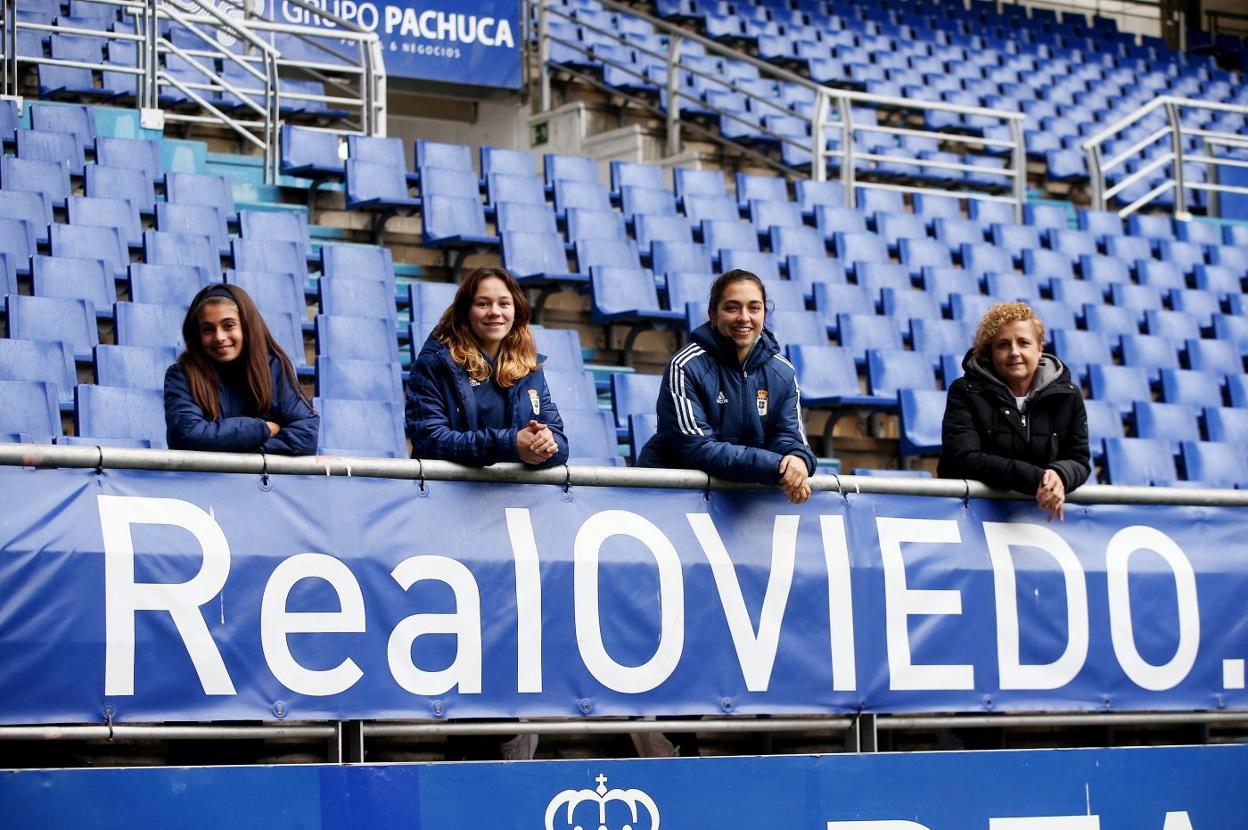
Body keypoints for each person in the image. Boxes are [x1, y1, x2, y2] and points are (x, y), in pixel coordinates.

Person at [639, 269, 816, 505]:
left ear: (764, 313)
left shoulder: (782, 372)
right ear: (713, 314)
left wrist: (797, 460)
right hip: (674, 497)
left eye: (754, 308)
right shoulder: (685, 366)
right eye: (732, 308)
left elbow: (788, 437)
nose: (744, 317)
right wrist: (777, 467)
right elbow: (698, 450)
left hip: (739, 501)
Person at [938, 301, 1090, 521]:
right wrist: (1038, 478)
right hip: (974, 519)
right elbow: (964, 459)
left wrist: (1059, 475)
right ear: (989, 353)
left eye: (1023, 343)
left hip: (1040, 522)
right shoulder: (965, 392)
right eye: (1003, 345)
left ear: (1039, 350)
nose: (1014, 352)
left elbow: (1079, 460)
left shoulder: (1068, 396)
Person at [405, 266, 568, 469]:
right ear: (465, 312)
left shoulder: (530, 369)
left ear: (516, 311)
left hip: (514, 497)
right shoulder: (435, 364)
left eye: (504, 303)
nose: (495, 312)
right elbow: (430, 441)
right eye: (483, 304)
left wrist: (545, 446)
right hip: (450, 495)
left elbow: (559, 441)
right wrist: (511, 444)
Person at [165, 284, 318, 454]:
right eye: (208, 329)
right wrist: (261, 430)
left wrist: (240, 452)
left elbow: (306, 435)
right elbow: (187, 436)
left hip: (261, 481)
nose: (219, 337)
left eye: (228, 325)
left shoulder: (275, 368)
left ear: (247, 327)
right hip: (204, 480)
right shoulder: (182, 375)